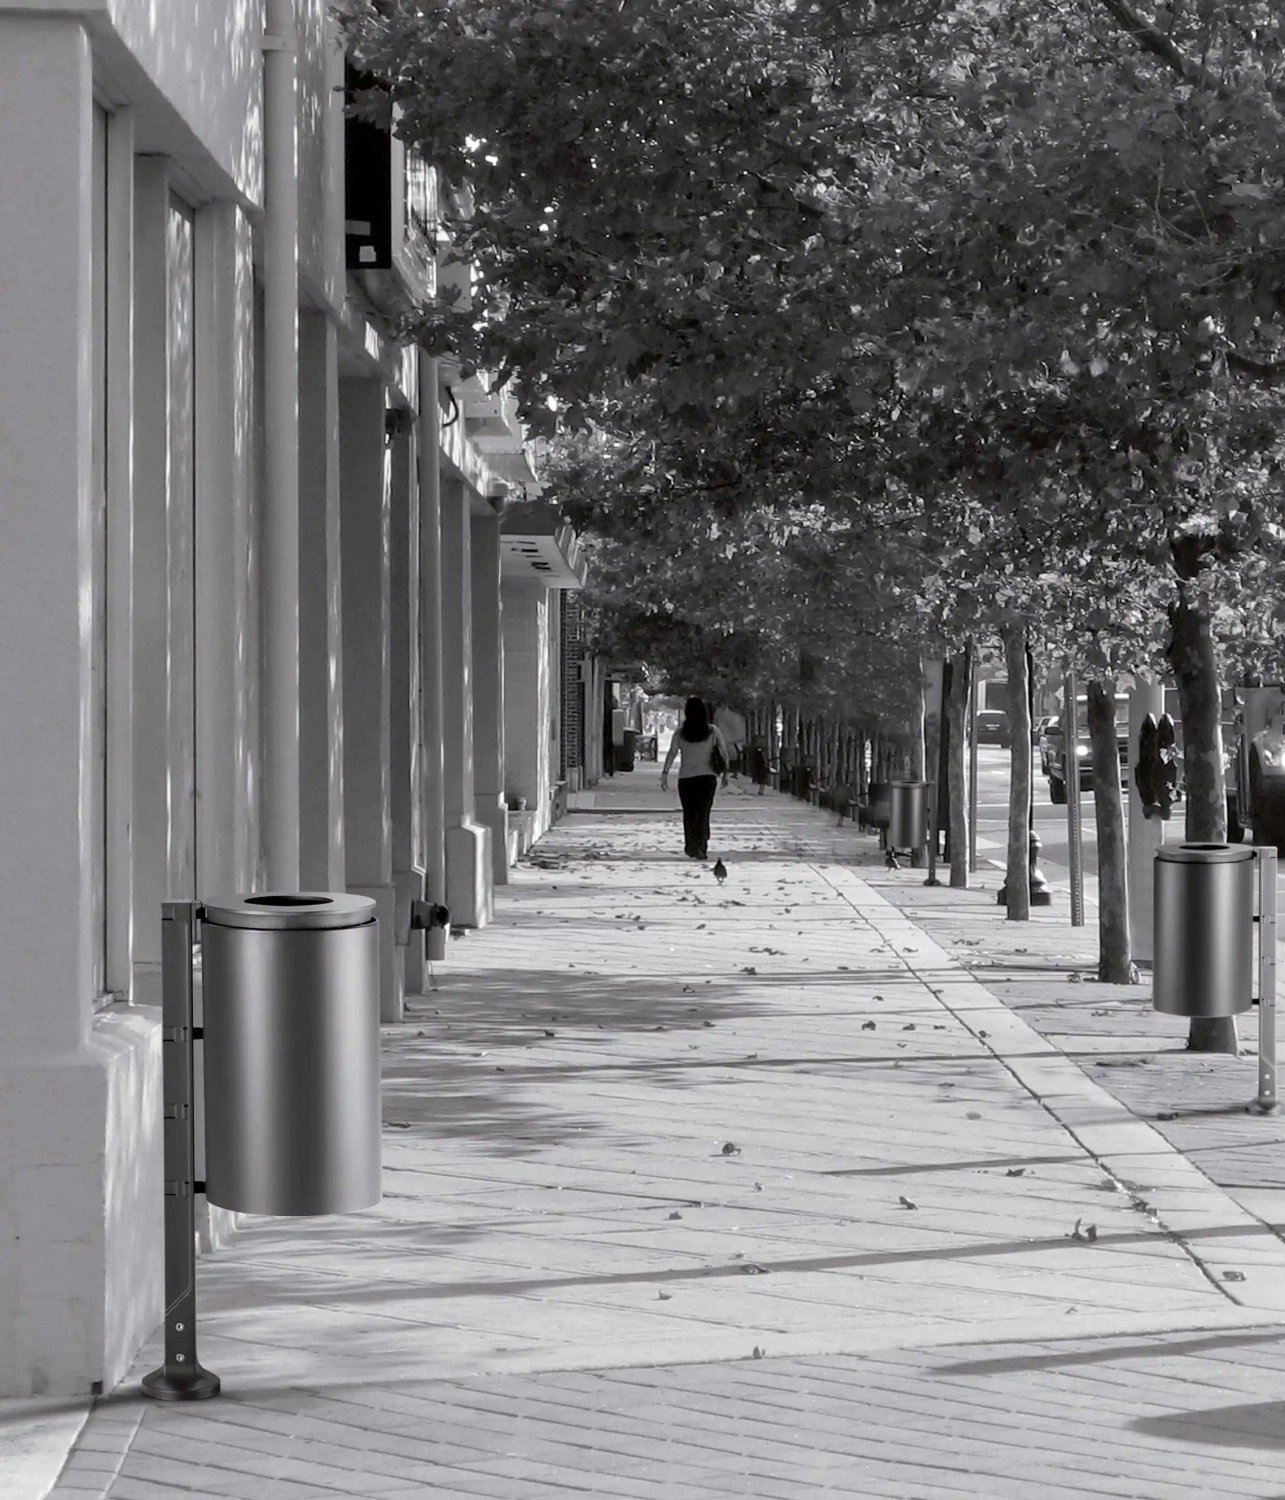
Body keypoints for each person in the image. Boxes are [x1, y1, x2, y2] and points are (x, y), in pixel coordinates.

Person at [660, 697, 729, 860]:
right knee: (704, 813)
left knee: (689, 813)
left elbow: (672, 753)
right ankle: (701, 845)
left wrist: (665, 773)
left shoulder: (680, 733)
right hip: (707, 778)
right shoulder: (713, 731)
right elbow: (723, 753)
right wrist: (726, 774)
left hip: (686, 779)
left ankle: (691, 846)